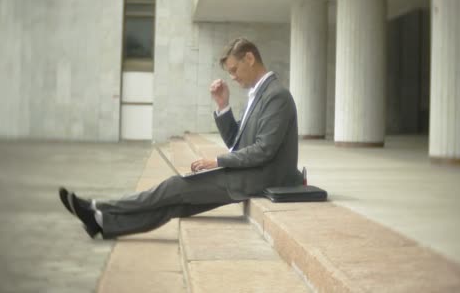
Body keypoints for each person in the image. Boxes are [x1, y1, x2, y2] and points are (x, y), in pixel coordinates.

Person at [59, 37, 303, 239]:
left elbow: (264, 150)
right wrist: (223, 105)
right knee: (177, 204)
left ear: (249, 58)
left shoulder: (276, 96)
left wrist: (218, 161)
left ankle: (97, 206)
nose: (233, 77)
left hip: (258, 179)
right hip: (248, 175)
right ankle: (102, 224)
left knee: (174, 187)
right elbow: (236, 142)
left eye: (234, 70)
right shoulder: (258, 94)